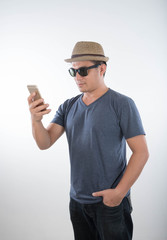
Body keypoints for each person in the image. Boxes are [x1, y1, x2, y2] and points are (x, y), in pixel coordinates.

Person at [27, 41, 149, 240]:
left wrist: (118, 193)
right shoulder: (68, 106)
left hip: (110, 203)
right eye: (73, 72)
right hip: (77, 202)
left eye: (83, 71)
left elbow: (141, 152)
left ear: (102, 69)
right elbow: (45, 142)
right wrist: (36, 119)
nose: (77, 77)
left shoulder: (122, 104)